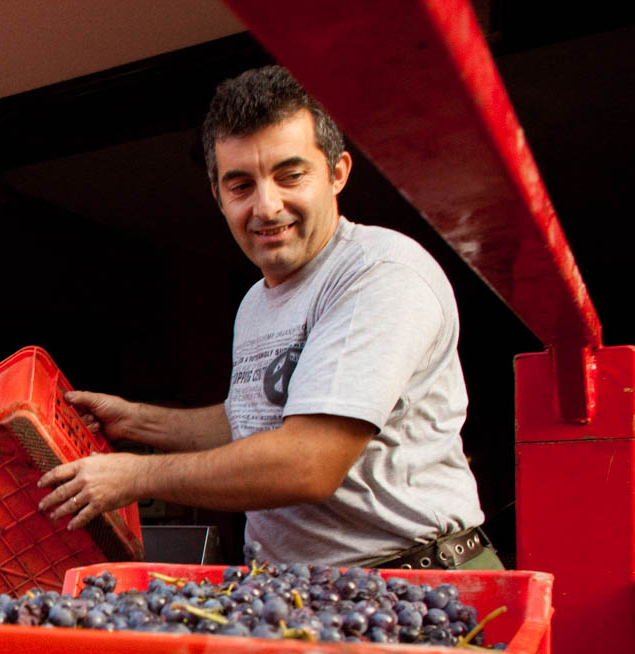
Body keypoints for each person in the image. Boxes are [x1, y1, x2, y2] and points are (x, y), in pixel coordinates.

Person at [38, 66, 499, 570]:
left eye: (290, 175)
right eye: (241, 185)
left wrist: (133, 477)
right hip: (308, 595)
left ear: (338, 172)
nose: (267, 206)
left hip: (418, 585)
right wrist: (136, 421)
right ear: (217, 195)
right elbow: (254, 423)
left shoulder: (379, 273)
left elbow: (308, 462)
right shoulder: (258, 300)